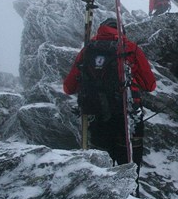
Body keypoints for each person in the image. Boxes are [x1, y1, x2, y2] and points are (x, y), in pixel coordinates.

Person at [63, 18, 156, 166]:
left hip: (96, 113)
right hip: (126, 114)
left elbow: (68, 88)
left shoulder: (88, 50)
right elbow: (150, 85)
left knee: (103, 165)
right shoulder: (130, 48)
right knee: (129, 165)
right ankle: (130, 187)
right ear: (122, 31)